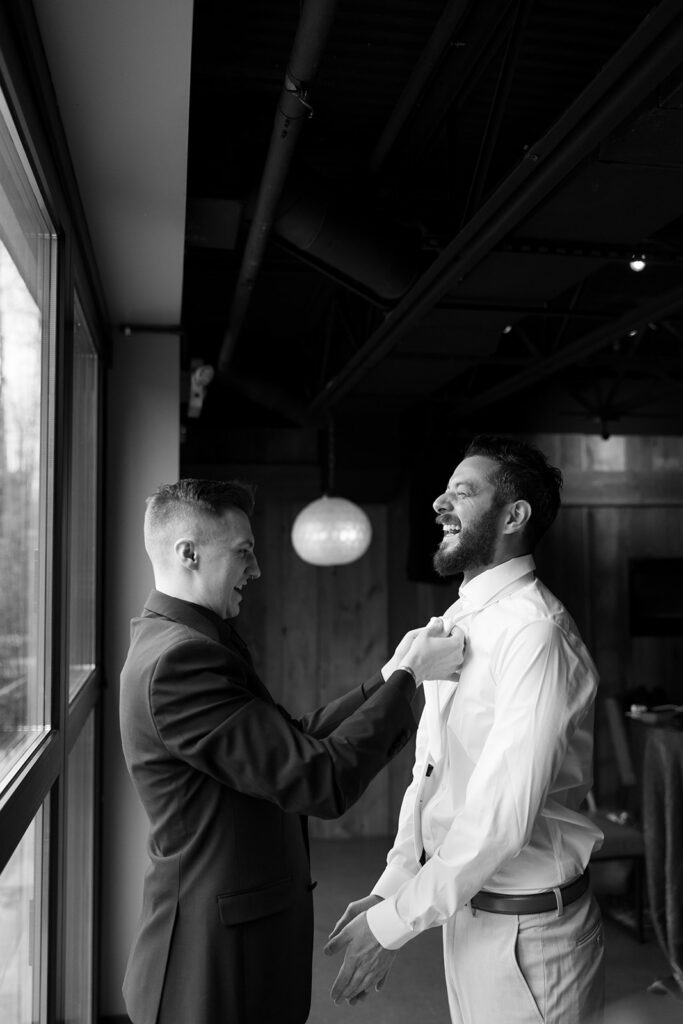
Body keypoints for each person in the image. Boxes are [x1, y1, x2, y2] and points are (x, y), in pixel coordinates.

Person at [119, 478, 465, 1024]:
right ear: (189, 554)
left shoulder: (184, 642)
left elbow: (290, 739)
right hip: (209, 963)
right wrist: (410, 676)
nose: (256, 570)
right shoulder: (179, 663)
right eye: (244, 552)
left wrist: (387, 679)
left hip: (230, 942)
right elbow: (318, 779)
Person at [326, 435, 605, 1024]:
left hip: (531, 935)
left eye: (463, 491)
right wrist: (394, 882)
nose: (439, 502)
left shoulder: (536, 633)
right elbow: (430, 776)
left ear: (514, 515)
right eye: (445, 489)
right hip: (468, 916)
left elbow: (500, 816)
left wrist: (394, 924)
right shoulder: (456, 619)